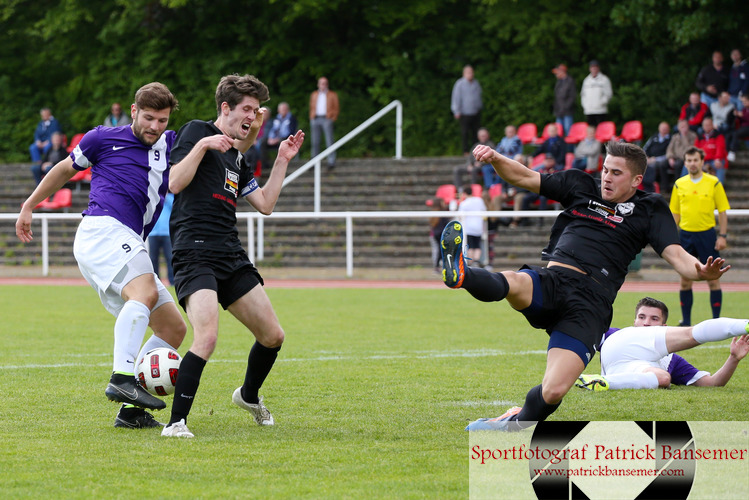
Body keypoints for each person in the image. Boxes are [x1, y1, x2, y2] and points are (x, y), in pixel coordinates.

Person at [439, 140, 727, 432]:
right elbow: (524, 176)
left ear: (637, 179)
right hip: (555, 281)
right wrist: (496, 157)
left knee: (553, 390)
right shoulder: (580, 185)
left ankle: (514, 423)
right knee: (514, 281)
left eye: (616, 173)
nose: (606, 177)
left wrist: (701, 271)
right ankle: (462, 274)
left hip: (590, 304)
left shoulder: (649, 208)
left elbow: (676, 255)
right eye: (605, 170)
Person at [15, 82, 186, 429]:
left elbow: (223, 140)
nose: (155, 126)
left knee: (173, 327)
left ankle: (130, 412)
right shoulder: (102, 138)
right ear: (133, 111)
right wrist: (30, 205)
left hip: (128, 239)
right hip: (103, 229)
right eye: (149, 118)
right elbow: (65, 169)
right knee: (145, 292)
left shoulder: (170, 144)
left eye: (162, 120)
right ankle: (122, 378)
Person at [162, 74, 305, 438]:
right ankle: (176, 423)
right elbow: (175, 182)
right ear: (225, 108)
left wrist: (283, 159)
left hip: (230, 254)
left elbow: (266, 205)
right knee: (206, 337)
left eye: (256, 111)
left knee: (273, 335)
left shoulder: (237, 159)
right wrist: (203, 146)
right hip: (194, 252)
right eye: (246, 109)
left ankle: (248, 395)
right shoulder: (197, 131)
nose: (252, 116)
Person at [576, 297, 749, 391]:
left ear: (664, 327)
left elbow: (710, 383)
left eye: (654, 319)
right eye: (642, 317)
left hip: (624, 372)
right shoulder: (615, 334)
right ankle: (744, 324)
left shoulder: (672, 360)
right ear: (634, 321)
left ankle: (601, 382)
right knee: (691, 333)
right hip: (619, 345)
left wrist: (733, 358)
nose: (646, 323)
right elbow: (579, 335)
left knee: (663, 378)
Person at [670, 146, 730, 327]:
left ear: (702, 161)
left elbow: (723, 211)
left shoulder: (714, 182)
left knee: (713, 279)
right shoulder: (679, 184)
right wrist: (673, 238)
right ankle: (686, 321)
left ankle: (716, 321)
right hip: (686, 236)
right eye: (688, 160)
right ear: (685, 162)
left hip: (708, 236)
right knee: (685, 280)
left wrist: (723, 236)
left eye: (695, 160)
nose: (692, 163)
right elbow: (675, 213)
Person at [451, 65, 483, 155]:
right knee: (465, 133)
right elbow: (456, 98)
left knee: (476, 132)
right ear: (464, 73)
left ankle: (476, 151)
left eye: (472, 72)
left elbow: (479, 96)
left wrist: (479, 107)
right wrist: (456, 111)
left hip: (475, 112)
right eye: (468, 72)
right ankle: (465, 151)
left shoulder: (476, 83)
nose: (471, 74)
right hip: (464, 113)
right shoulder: (459, 84)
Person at [308, 76, 338, 169]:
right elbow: (311, 107)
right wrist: (311, 118)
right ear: (318, 84)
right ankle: (314, 162)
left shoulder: (332, 95)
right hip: (315, 118)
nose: (323, 85)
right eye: (321, 83)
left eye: (325, 83)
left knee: (329, 140)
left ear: (327, 84)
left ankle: (331, 161)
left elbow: (336, 108)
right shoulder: (314, 94)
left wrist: (332, 119)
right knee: (315, 142)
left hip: (327, 118)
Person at [260, 101, 298, 174]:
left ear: (288, 110)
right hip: (275, 139)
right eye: (281, 109)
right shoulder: (276, 119)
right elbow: (273, 130)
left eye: (284, 109)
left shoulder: (292, 119)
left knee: (282, 142)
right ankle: (264, 165)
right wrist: (271, 138)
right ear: (278, 110)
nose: (283, 111)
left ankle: (281, 164)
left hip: (286, 138)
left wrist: (277, 139)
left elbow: (290, 132)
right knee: (263, 142)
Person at [148, 192, 174, 285]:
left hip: (167, 232)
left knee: (170, 257)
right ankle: (156, 282)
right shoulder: (153, 197)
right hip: (153, 233)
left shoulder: (171, 197)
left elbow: (175, 209)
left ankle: (172, 281)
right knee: (153, 258)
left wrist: (166, 198)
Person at [457, 185, 486, 265]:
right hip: (478, 227)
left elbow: (459, 216)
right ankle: (476, 261)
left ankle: (470, 262)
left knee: (470, 246)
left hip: (468, 228)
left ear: (464, 193)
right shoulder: (479, 200)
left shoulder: (464, 203)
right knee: (477, 245)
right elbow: (484, 210)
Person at [665, 119, 697, 193]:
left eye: (684, 126)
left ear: (688, 127)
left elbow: (691, 149)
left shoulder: (693, 135)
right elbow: (670, 148)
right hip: (675, 157)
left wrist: (685, 137)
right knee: (663, 164)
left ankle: (678, 186)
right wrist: (670, 158)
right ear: (678, 128)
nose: (683, 128)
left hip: (687, 158)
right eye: (681, 126)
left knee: (678, 165)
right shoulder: (675, 137)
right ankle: (665, 188)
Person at [694, 117, 728, 183]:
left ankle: (719, 186)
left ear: (712, 125)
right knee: (689, 164)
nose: (707, 127)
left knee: (718, 165)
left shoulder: (718, 136)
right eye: (705, 125)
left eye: (708, 125)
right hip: (703, 160)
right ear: (702, 126)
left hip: (714, 160)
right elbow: (696, 150)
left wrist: (717, 159)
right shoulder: (699, 137)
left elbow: (720, 149)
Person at [580, 60, 613, 127]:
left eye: (595, 67)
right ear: (590, 69)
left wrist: (601, 103)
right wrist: (585, 105)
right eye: (592, 67)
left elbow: (608, 94)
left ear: (598, 68)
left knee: (601, 129)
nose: (594, 69)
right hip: (589, 110)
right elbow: (583, 95)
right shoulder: (586, 80)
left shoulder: (604, 79)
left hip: (600, 110)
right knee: (591, 130)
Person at [642, 121, 671, 193]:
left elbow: (669, 153)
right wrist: (646, 157)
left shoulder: (671, 139)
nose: (664, 130)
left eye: (665, 128)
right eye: (662, 128)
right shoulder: (653, 137)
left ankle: (658, 188)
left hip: (663, 159)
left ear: (668, 129)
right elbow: (645, 148)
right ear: (659, 128)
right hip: (650, 159)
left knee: (656, 165)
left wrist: (655, 159)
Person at [552, 64, 576, 136]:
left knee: (568, 130)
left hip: (567, 111)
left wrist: (565, 107)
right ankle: (561, 147)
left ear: (563, 72)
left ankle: (569, 147)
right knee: (558, 131)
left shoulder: (570, 81)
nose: (556, 74)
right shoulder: (558, 82)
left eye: (557, 72)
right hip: (558, 111)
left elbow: (572, 96)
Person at [727, 94, 749, 162]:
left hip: (747, 128)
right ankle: (728, 152)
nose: (743, 103)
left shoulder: (744, 111)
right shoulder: (744, 109)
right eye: (743, 102)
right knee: (729, 135)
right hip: (743, 128)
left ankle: (732, 151)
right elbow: (741, 120)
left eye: (745, 101)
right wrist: (737, 115)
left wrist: (742, 115)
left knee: (736, 134)